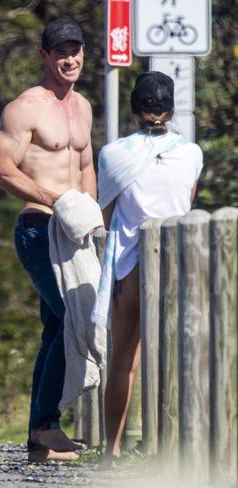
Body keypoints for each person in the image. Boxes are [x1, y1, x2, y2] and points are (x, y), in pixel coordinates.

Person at [0, 18, 95, 462]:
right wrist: (55, 200)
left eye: (76, 50)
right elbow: (3, 171)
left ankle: (42, 431)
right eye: (61, 52)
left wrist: (88, 213)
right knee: (68, 317)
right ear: (45, 56)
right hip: (38, 228)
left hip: (76, 232)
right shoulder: (24, 108)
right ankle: (45, 424)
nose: (69, 59)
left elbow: (86, 164)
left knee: (56, 326)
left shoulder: (84, 107)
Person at [98, 72, 203, 465]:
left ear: (133, 110)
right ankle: (172, 449)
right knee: (178, 358)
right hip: (177, 267)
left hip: (129, 266)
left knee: (123, 361)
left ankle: (111, 452)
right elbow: (185, 204)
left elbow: (106, 216)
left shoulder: (112, 154)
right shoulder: (191, 153)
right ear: (172, 110)